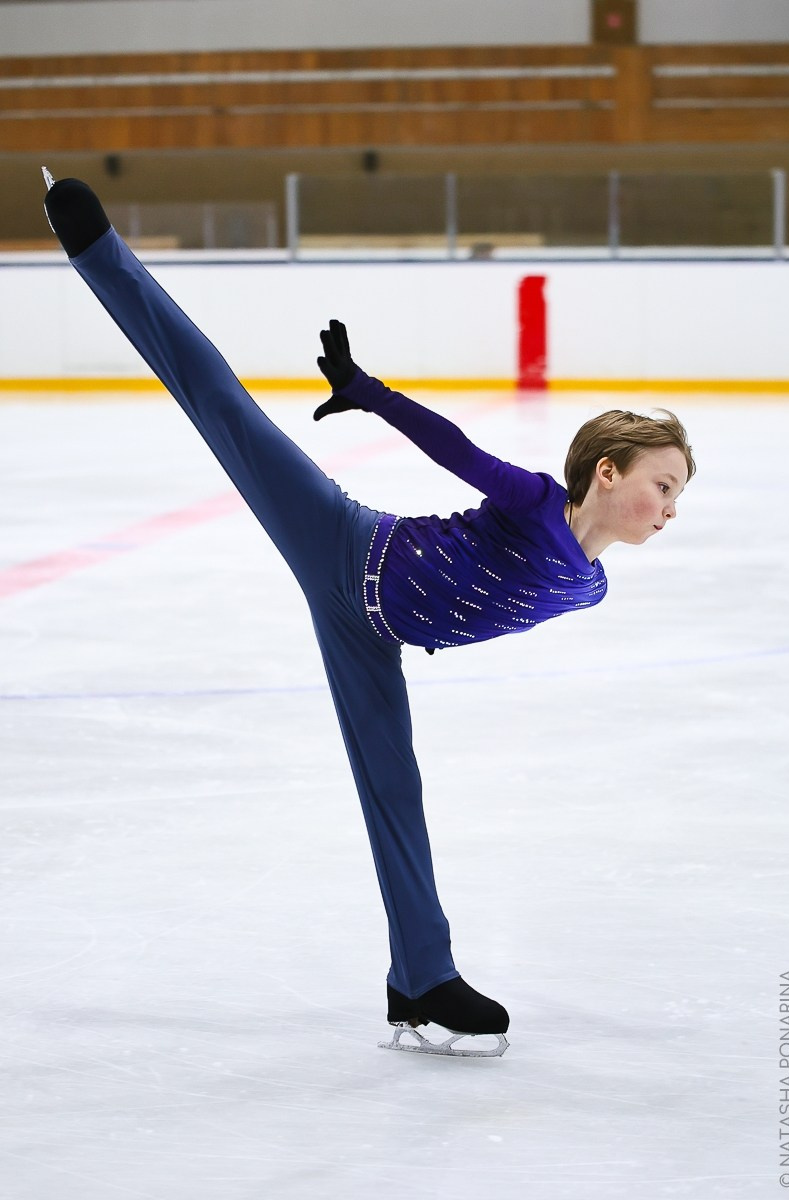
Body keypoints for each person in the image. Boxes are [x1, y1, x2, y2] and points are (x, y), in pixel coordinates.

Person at [42, 174, 695, 1058]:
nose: (670, 508)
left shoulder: (593, 585)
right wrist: (369, 390)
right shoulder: (540, 503)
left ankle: (420, 978)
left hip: (374, 636)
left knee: (397, 792)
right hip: (348, 546)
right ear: (608, 473)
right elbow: (462, 453)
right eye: (664, 484)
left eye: (679, 497)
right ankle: (97, 250)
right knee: (226, 409)